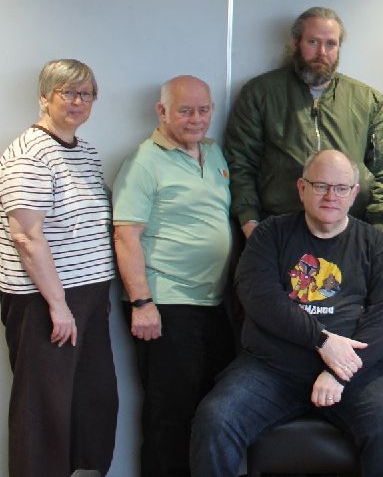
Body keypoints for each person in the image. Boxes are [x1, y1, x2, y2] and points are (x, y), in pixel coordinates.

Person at [190, 150, 383, 477]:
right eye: (321, 186)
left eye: (340, 188)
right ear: (301, 188)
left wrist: (339, 371)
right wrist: (322, 341)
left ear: (354, 194)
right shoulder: (270, 234)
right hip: (271, 366)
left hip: (355, 372)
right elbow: (259, 295)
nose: (330, 196)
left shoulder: (375, 244)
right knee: (215, 419)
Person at [112, 75, 235, 476]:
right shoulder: (144, 161)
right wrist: (143, 303)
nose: (196, 119)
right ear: (162, 112)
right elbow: (126, 236)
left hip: (214, 306)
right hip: (167, 305)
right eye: (185, 110)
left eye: (204, 109)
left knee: (209, 410)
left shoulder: (214, 155)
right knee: (170, 415)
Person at [0, 59, 117, 477]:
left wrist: (91, 298)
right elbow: (26, 238)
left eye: (86, 94)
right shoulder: (27, 154)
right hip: (43, 301)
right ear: (45, 97)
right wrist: (59, 305)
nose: (77, 101)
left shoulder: (85, 151)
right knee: (43, 411)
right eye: (67, 92)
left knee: (93, 400)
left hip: (87, 297)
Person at [224, 6, 383, 238]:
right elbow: (240, 163)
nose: (322, 52)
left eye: (330, 44)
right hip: (279, 228)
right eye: (313, 42)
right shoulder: (260, 93)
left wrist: (378, 229)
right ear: (296, 43)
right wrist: (250, 224)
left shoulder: (367, 100)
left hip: (351, 230)